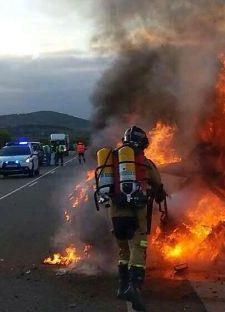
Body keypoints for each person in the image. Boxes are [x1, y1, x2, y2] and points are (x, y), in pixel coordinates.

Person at [94, 126, 166, 312]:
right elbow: (157, 183)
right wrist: (159, 194)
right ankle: (134, 288)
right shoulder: (144, 163)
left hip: (116, 214)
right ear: (142, 143)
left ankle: (122, 286)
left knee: (123, 250)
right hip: (136, 213)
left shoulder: (112, 160)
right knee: (138, 248)